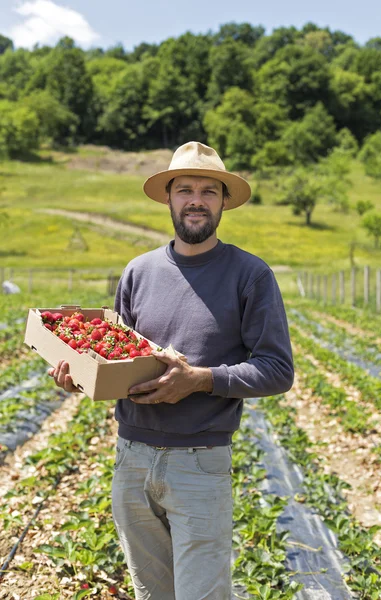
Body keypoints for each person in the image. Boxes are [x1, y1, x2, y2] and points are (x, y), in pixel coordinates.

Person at [49, 141, 294, 600]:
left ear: (223, 202)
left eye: (208, 191)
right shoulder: (138, 273)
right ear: (169, 198)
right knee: (152, 594)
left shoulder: (250, 275)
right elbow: (115, 360)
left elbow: (277, 369)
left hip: (199, 464)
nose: (196, 199)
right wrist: (77, 376)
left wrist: (200, 379)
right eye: (185, 189)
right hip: (131, 458)